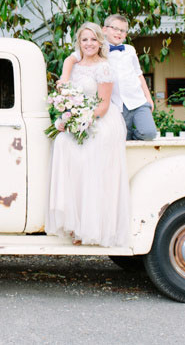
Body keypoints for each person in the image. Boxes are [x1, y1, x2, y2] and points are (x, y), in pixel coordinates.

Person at [47, 22, 130, 247]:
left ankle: (91, 228)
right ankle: (73, 223)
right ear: (79, 43)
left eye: (93, 39)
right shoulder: (74, 64)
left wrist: (81, 121)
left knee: (90, 154)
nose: (89, 43)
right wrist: (65, 118)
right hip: (79, 118)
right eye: (85, 39)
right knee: (62, 142)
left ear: (100, 42)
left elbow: (103, 106)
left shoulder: (104, 67)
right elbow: (64, 93)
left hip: (100, 120)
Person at [61, 14, 157, 141]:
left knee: (149, 133)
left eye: (122, 30)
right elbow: (70, 59)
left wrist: (148, 97)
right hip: (117, 104)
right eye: (115, 28)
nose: (118, 33)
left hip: (137, 100)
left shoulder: (130, 50)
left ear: (126, 34)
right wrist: (64, 81)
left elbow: (138, 74)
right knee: (121, 137)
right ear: (104, 30)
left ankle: (138, 133)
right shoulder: (96, 46)